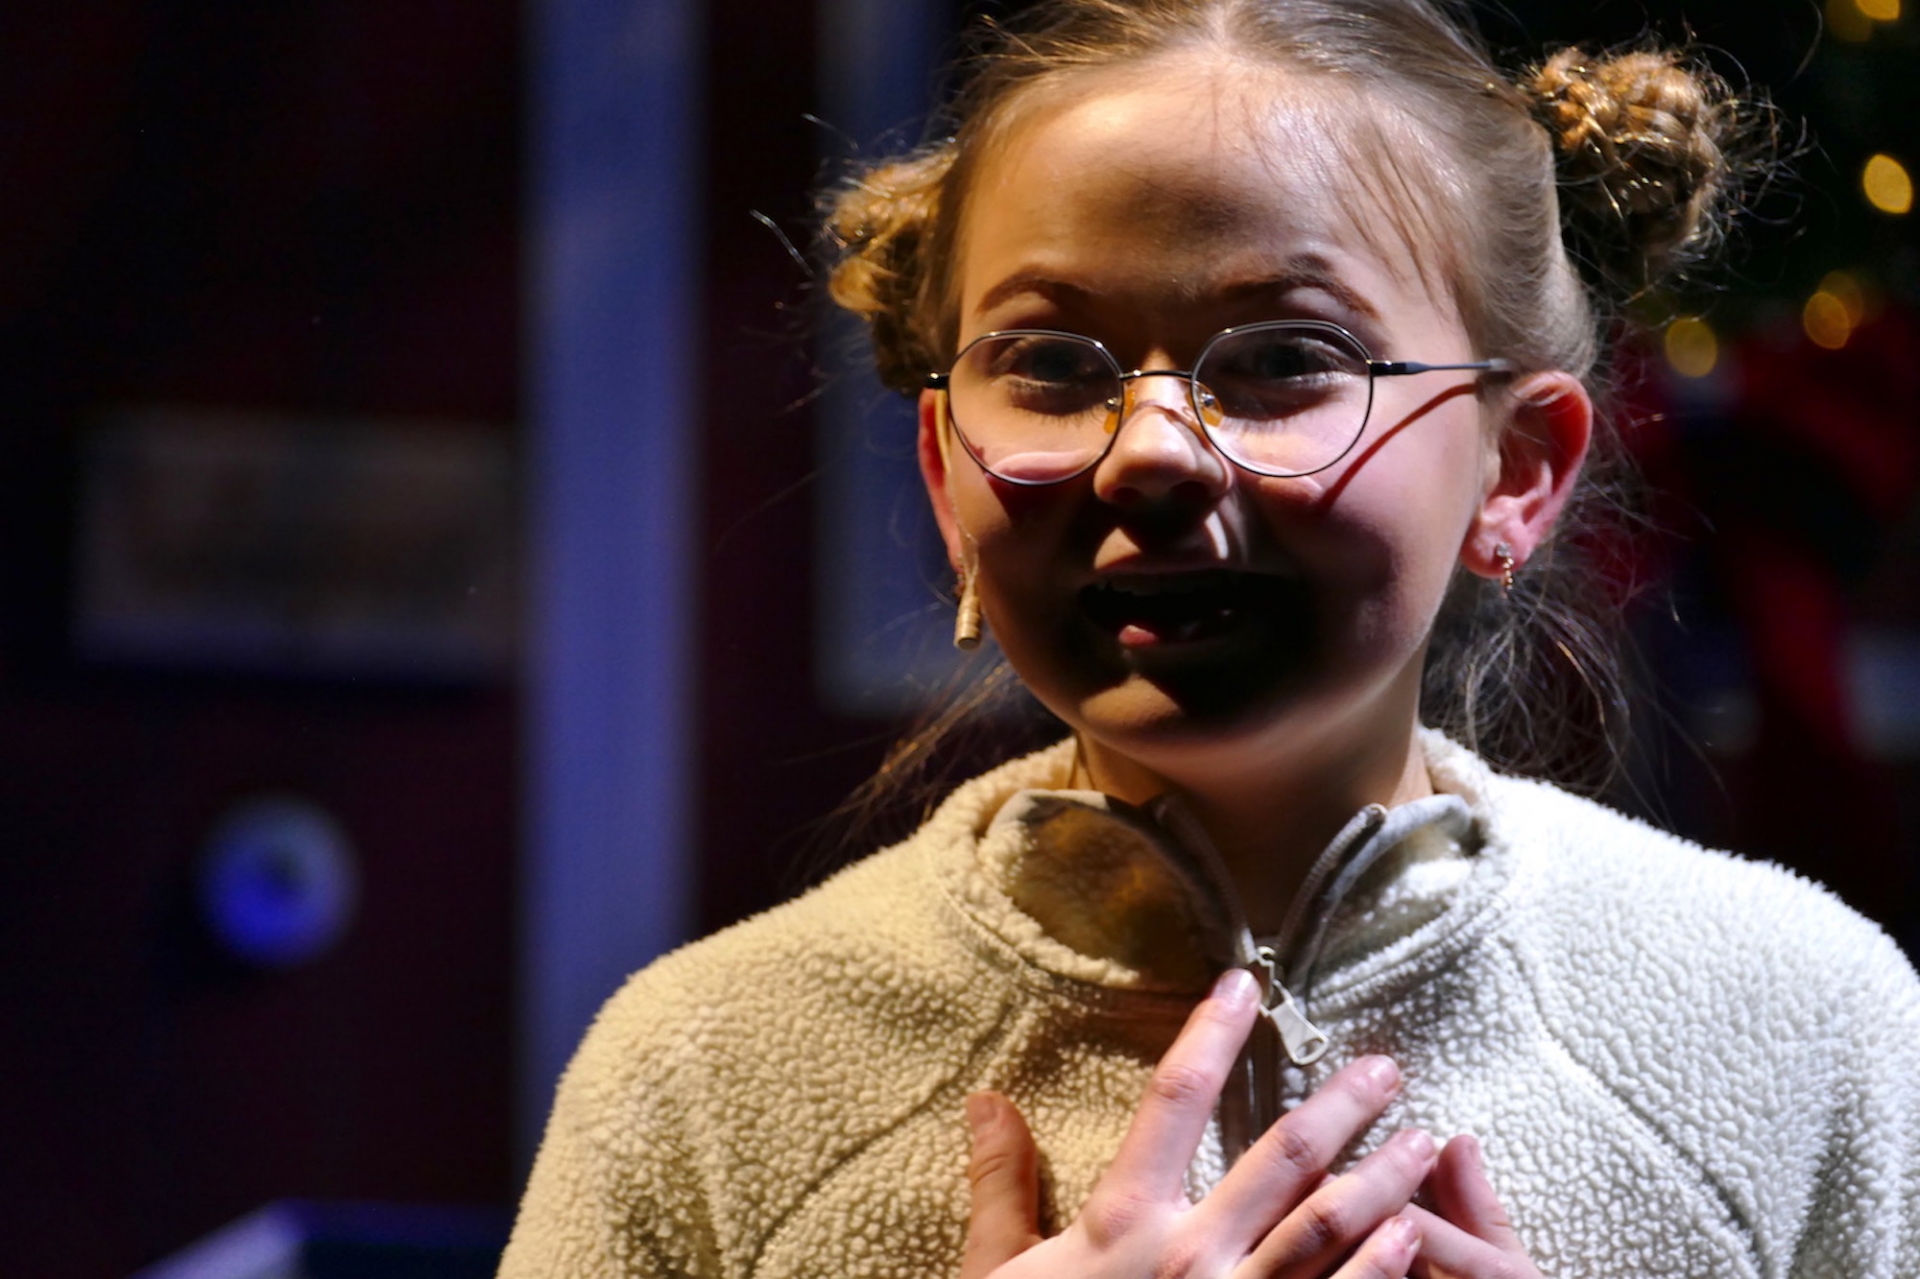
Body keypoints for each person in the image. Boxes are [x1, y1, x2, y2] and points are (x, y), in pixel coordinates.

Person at [500, 1, 1920, 1275]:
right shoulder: (701, 1075)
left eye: (1288, 357)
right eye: (1051, 365)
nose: (1151, 454)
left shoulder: (1805, 1026)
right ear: (944, 476)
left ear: (1517, 469)